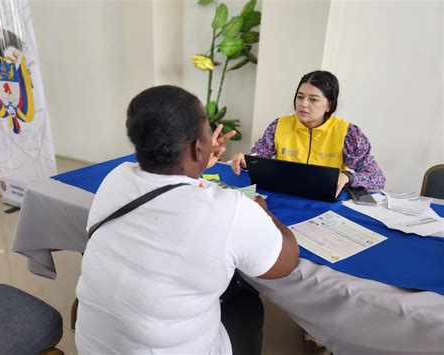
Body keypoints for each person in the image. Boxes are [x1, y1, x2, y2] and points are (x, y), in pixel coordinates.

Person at [75, 85, 299, 354]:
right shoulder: (232, 210)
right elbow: (285, 262)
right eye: (207, 132)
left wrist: (197, 161)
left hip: (93, 348)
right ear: (196, 146)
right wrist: (263, 211)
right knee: (245, 301)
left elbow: (167, 187)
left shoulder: (116, 178)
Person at [231, 70, 385, 196]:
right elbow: (258, 159)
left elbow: (377, 178)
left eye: (313, 99)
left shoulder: (348, 133)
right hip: (282, 195)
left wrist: (348, 176)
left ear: (329, 106)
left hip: (323, 202)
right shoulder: (278, 126)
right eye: (300, 97)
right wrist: (246, 161)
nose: (303, 104)